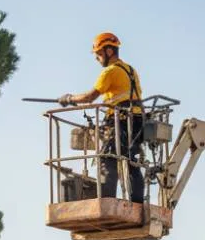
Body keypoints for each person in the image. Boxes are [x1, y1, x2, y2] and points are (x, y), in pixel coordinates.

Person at [58, 32, 144, 204]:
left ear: (109, 51)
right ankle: (137, 203)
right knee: (129, 160)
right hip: (137, 119)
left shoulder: (110, 72)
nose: (97, 58)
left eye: (98, 54)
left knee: (108, 158)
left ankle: (106, 203)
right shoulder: (130, 70)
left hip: (121, 119)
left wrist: (69, 99)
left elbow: (90, 97)